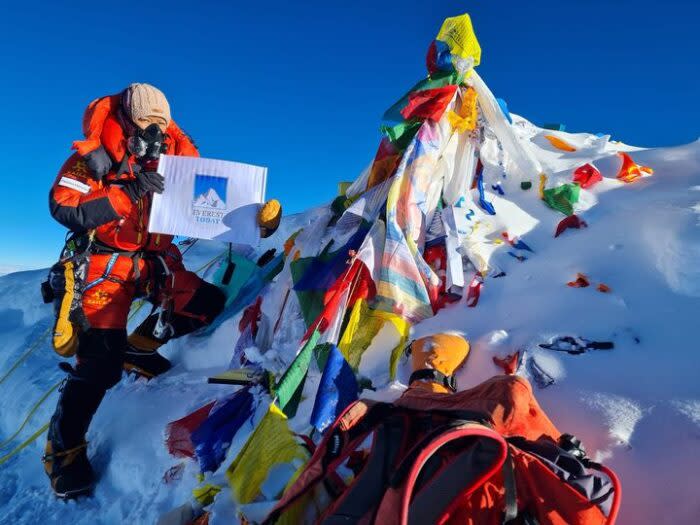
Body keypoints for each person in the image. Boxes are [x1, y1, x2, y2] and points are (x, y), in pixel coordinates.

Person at [42, 83, 281, 499]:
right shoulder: (92, 160)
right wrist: (126, 193)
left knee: (204, 305)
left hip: (156, 260)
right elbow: (64, 206)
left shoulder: (180, 160)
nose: (153, 132)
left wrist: (256, 222)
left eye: (160, 124)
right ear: (125, 120)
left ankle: (139, 347)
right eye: (144, 122)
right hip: (105, 261)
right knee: (99, 363)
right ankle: (62, 451)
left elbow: (211, 209)